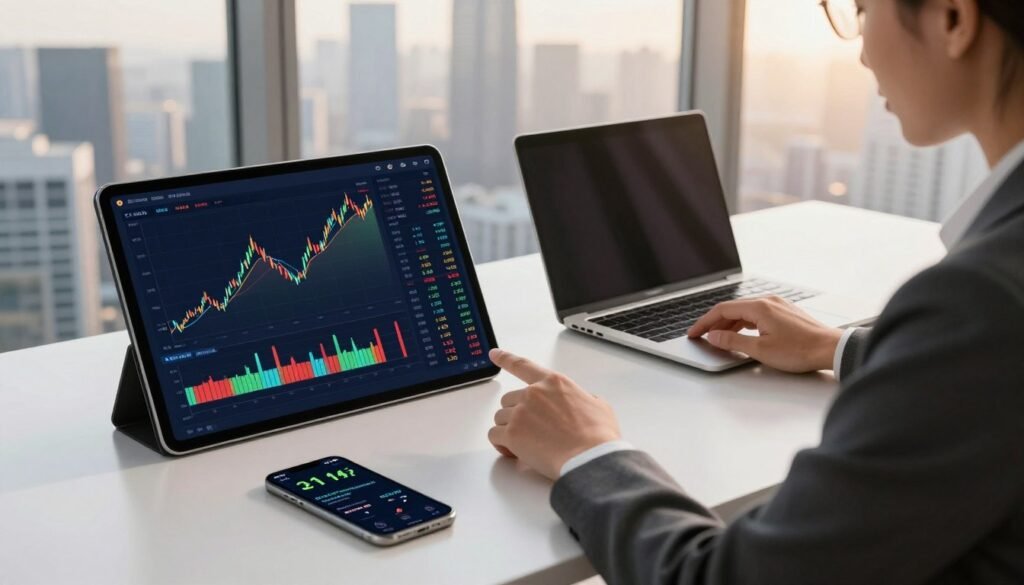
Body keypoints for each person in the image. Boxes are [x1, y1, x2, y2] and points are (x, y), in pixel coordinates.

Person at [485, 0, 1024, 583]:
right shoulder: (985, 307)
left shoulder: (978, 299)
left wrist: (587, 453)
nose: (863, 53)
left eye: (863, 9)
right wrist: (837, 347)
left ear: (953, 18)